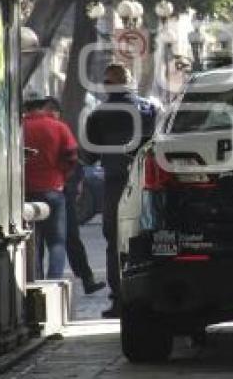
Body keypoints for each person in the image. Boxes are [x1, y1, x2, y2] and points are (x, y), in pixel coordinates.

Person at [83, 63, 157, 318]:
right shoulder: (149, 109)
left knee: (114, 241)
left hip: (114, 183)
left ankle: (119, 300)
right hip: (146, 182)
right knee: (149, 236)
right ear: (131, 81)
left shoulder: (98, 114)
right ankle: (150, 294)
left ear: (106, 85)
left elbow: (89, 156)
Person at [36, 97, 106, 295]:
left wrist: (74, 184)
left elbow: (76, 163)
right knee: (63, 240)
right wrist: (69, 181)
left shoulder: (44, 128)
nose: (52, 114)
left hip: (50, 191)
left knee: (57, 240)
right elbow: (73, 160)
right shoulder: (58, 129)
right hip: (59, 191)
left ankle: (84, 279)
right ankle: (81, 280)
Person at [23, 96, 78, 280]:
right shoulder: (58, 126)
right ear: (43, 108)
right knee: (56, 241)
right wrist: (62, 174)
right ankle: (54, 279)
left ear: (26, 109)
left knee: (33, 241)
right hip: (53, 189)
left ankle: (35, 278)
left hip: (27, 191)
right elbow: (71, 156)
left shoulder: (19, 128)